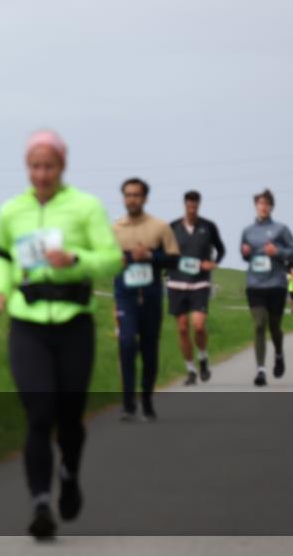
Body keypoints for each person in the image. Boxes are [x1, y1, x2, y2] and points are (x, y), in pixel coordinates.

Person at [0, 129, 122, 540]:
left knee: (69, 418)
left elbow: (111, 260)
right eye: (35, 167)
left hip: (73, 323)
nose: (41, 174)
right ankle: (41, 502)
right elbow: (5, 259)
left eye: (49, 167)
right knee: (39, 415)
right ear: (27, 168)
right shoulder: (12, 211)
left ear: (62, 167)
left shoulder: (85, 208)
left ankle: (70, 472)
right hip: (27, 324)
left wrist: (75, 259)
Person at [112, 178, 180, 421]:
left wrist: (150, 256)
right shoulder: (115, 229)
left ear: (145, 198)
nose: (132, 199)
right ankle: (128, 403)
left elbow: (174, 260)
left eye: (136, 195)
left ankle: (147, 400)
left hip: (151, 296)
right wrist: (122, 259)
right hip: (125, 296)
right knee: (127, 344)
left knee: (150, 349)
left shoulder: (160, 227)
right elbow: (105, 259)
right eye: (127, 195)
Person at [166, 190, 225, 385]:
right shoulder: (172, 227)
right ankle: (190, 370)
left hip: (199, 283)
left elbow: (221, 249)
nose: (192, 208)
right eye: (189, 205)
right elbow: (162, 250)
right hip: (176, 283)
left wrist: (213, 262)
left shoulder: (208, 226)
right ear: (184, 205)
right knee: (182, 329)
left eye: (195, 205)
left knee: (199, 326)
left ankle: (203, 357)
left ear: (198, 205)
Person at [240, 188, 293, 387]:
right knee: (258, 324)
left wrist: (278, 251)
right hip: (255, 284)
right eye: (260, 203)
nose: (263, 207)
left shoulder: (281, 229)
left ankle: (279, 354)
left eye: (266, 204)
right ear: (256, 206)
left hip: (276, 284)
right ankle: (261, 370)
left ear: (271, 206)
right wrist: (246, 252)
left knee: (274, 326)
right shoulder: (248, 231)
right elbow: (245, 254)